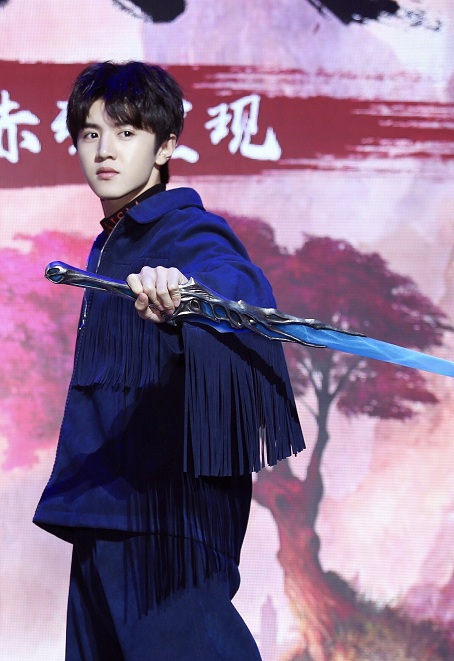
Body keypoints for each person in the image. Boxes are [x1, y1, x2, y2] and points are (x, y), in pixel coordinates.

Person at [34, 61, 305, 660]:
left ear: (166, 147)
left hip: (164, 525)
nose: (105, 150)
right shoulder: (113, 242)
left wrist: (188, 294)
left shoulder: (185, 230)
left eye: (127, 132)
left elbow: (238, 289)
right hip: (105, 514)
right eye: (91, 133)